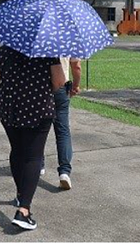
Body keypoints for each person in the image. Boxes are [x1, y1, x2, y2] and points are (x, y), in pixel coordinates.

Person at [0, 46, 65, 231]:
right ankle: (24, 210)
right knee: (33, 156)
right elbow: (58, 84)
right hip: (39, 108)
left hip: (10, 108)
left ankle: (20, 194)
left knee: (17, 151)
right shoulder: (48, 50)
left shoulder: (5, 50)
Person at [40, 57, 81, 190]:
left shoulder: (37, 37)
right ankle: (64, 171)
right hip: (62, 86)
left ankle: (39, 164)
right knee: (63, 131)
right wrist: (75, 85)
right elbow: (76, 66)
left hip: (40, 87)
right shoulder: (68, 38)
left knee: (39, 129)